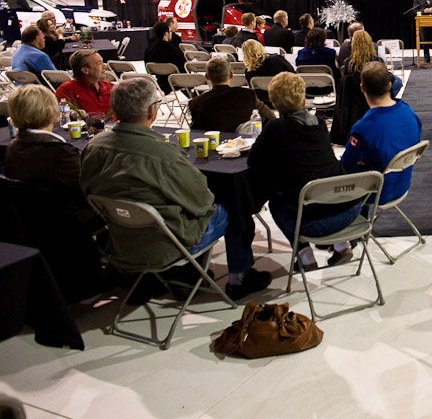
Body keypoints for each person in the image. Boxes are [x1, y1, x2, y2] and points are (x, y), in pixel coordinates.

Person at [80, 77, 271, 299]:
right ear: (152, 111)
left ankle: (188, 274)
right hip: (167, 243)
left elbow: (87, 192)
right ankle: (238, 277)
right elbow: (202, 202)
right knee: (234, 204)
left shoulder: (93, 147)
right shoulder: (162, 154)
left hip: (120, 241)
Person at [3, 85, 106, 302]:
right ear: (52, 112)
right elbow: (93, 189)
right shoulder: (58, 155)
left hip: (35, 222)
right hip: (69, 220)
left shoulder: (14, 147)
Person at [248, 73, 357, 269]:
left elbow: (253, 160)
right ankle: (342, 245)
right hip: (349, 210)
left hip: (315, 222)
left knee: (277, 199)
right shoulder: (320, 125)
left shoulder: (276, 128)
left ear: (272, 100)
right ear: (303, 98)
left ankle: (305, 256)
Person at [342, 61, 422, 207]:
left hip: (374, 191)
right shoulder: (409, 112)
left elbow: (347, 169)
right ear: (390, 85)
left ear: (362, 88)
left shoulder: (363, 128)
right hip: (402, 183)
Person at [189, 57, 275, 133]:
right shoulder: (247, 95)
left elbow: (194, 132)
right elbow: (271, 117)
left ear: (207, 76)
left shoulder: (196, 103)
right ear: (231, 74)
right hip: (243, 145)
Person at [55, 49, 113, 115]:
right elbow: (59, 110)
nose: (105, 66)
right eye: (99, 63)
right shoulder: (66, 90)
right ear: (85, 70)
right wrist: (72, 113)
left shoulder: (111, 87)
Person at [242, 39, 295, 108]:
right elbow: (292, 73)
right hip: (283, 100)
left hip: (264, 104)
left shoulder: (249, 72)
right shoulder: (277, 60)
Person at [143, 21, 186, 92]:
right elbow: (183, 68)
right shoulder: (173, 50)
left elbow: (148, 69)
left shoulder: (149, 50)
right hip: (176, 83)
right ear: (166, 33)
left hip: (159, 83)